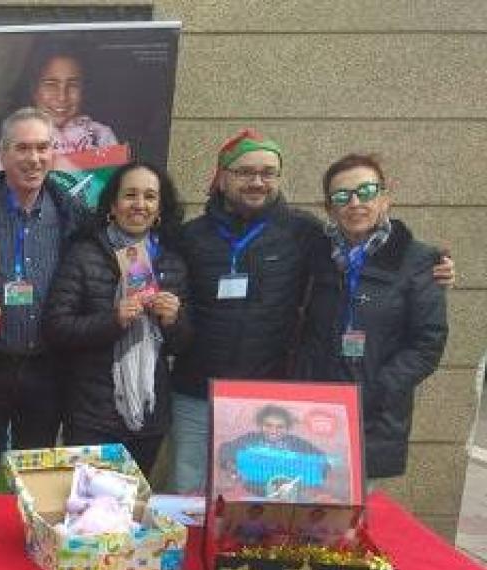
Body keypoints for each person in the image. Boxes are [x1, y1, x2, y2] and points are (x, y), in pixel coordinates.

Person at [166, 129, 455, 494]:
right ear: (221, 178)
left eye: (268, 172)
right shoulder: (190, 236)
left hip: (268, 398)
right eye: (245, 172)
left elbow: (422, 330)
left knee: (256, 494)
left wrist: (437, 265)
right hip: (196, 391)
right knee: (188, 490)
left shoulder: (304, 233)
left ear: (385, 196)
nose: (257, 181)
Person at [294, 153, 448, 481]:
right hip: (313, 410)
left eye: (365, 192)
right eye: (342, 196)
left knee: (357, 507)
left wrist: (378, 388)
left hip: (374, 416)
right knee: (304, 499)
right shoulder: (314, 254)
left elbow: (428, 344)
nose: (355, 203)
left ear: (385, 197)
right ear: (329, 208)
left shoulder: (420, 261)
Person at [0, 107, 91, 491]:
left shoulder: (73, 214)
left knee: (35, 477)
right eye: (22, 148)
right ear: (3, 153)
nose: (34, 158)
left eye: (42, 148)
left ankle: (25, 528)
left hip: (46, 366)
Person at [43, 161, 191, 473]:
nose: (140, 204)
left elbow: (182, 344)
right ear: (113, 205)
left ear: (160, 208)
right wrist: (114, 320)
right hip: (92, 415)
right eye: (130, 195)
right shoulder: (84, 254)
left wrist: (172, 320)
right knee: (89, 499)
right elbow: (56, 327)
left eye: (150, 196)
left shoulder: (172, 262)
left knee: (133, 499)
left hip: (148, 414)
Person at [0, 46, 119, 175]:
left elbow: (119, 185)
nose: (62, 96)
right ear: (34, 89)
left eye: (73, 85)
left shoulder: (101, 136)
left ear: (84, 89)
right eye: (51, 84)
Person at [216, 404, 330, 498]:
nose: (273, 431)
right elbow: (226, 449)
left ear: (287, 429)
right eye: (268, 425)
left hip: (285, 493)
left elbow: (321, 459)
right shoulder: (251, 439)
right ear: (260, 425)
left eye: (280, 427)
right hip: (252, 490)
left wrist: (312, 475)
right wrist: (231, 466)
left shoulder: (296, 443)